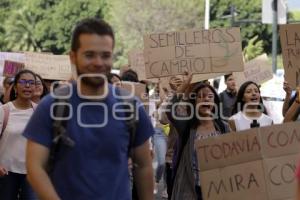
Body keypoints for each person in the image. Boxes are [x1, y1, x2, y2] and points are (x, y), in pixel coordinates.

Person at [23, 18, 154, 200]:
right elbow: (34, 167)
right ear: (73, 57)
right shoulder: (51, 107)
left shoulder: (130, 107)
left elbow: (144, 165)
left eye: (105, 55)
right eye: (90, 55)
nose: (98, 62)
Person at [166, 72, 230, 200]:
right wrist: (184, 85)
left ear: (214, 103)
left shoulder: (224, 127)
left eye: (209, 96)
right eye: (200, 97)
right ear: (194, 103)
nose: (205, 99)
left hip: (217, 189)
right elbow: (170, 110)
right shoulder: (187, 126)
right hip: (191, 189)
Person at [0, 69, 37, 199]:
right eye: (23, 82)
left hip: (32, 173)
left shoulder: (40, 111)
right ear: (15, 86)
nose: (27, 86)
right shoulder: (4, 110)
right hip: (6, 172)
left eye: (31, 83)